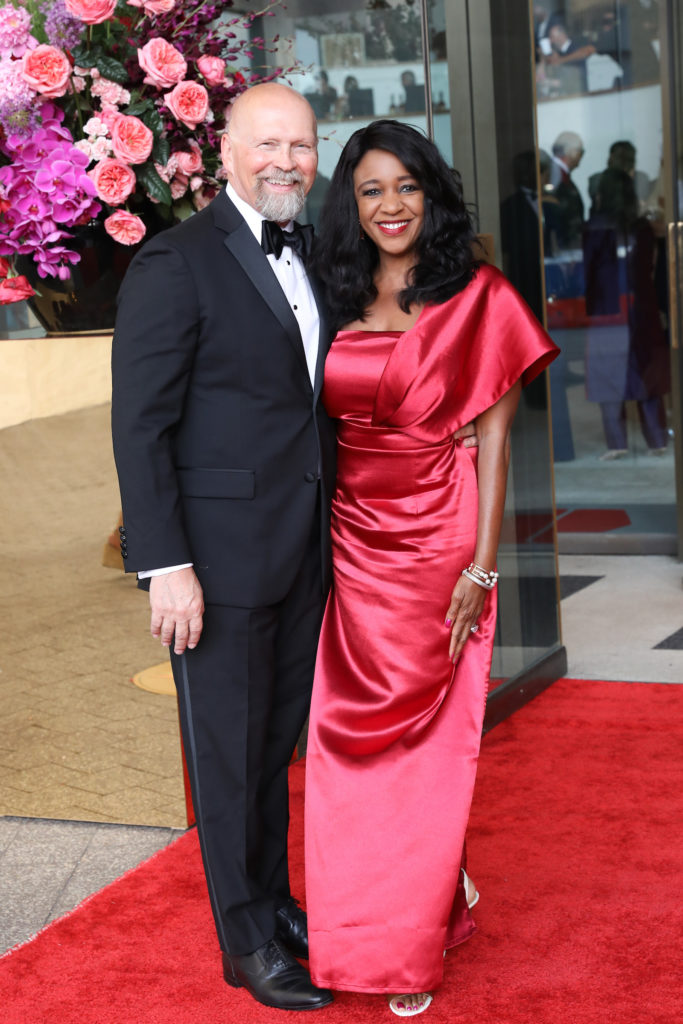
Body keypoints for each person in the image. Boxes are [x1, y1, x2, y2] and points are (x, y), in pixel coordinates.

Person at [303, 120, 559, 1016]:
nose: (390, 206)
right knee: (344, 740)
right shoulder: (330, 289)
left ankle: (402, 947)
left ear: (431, 194)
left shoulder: (478, 294)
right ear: (351, 202)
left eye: (406, 186)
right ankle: (411, 902)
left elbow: (494, 441)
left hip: (438, 537)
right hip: (351, 540)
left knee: (421, 747)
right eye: (371, 190)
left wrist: (481, 569)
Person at [110, 83, 338, 1012]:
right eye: (268, 143)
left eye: (302, 145)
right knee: (227, 758)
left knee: (270, 748)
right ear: (228, 153)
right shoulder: (176, 261)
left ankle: (274, 906)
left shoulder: (311, 251)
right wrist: (166, 566)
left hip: (302, 550)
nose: (286, 160)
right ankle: (245, 943)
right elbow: (140, 426)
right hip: (215, 562)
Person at [549, 130, 586, 250]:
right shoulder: (553, 174)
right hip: (562, 246)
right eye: (581, 151)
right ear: (571, 151)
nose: (581, 156)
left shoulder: (560, 174)